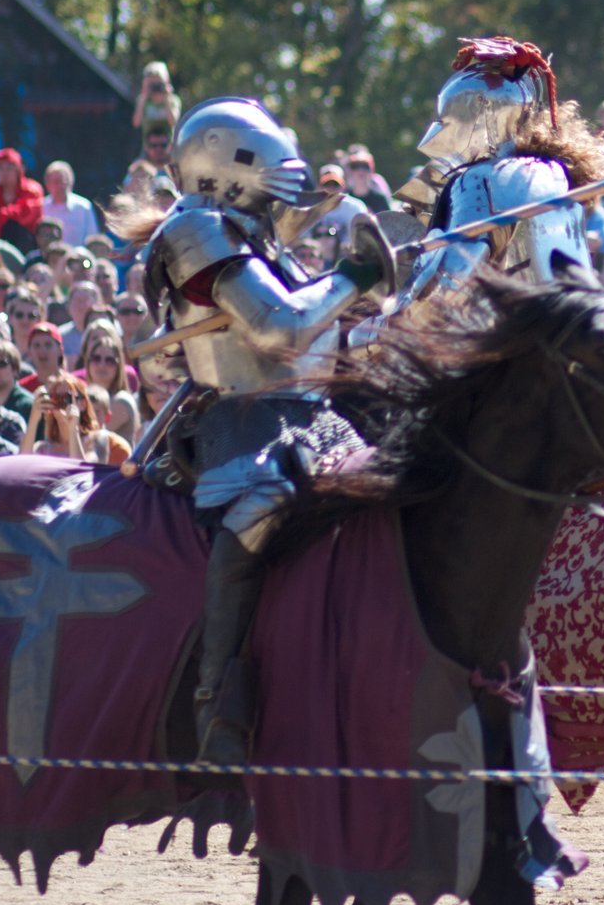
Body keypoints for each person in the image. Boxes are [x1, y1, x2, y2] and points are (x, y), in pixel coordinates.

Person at [120, 96, 398, 765]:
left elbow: (317, 327)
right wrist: (353, 275)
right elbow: (276, 326)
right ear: (228, 166)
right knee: (265, 501)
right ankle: (215, 698)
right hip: (238, 423)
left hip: (304, 414)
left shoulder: (253, 233)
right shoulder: (198, 233)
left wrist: (372, 282)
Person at [0, 148, 45, 252]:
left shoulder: (32, 190)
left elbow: (26, 215)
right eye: (1, 168)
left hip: (28, 244)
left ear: (18, 170)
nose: (5, 173)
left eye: (9, 168)